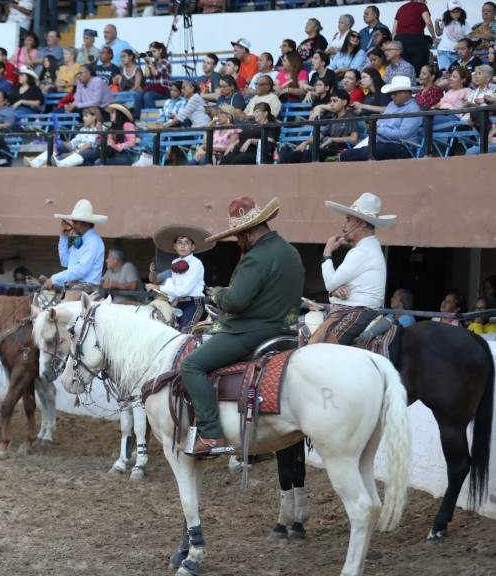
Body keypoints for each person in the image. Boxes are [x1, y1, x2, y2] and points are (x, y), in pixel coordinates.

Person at [181, 197, 303, 456]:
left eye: (239, 236)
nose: (238, 242)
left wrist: (216, 294)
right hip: (286, 330)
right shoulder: (289, 251)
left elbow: (236, 301)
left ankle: (211, 434)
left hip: (251, 332)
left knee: (191, 365)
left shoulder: (257, 257)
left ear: (248, 232)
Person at [310, 193, 395, 345]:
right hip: (356, 310)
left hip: (357, 312)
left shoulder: (361, 251)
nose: (344, 226)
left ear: (361, 224)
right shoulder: (368, 248)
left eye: (348, 220)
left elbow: (330, 283)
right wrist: (335, 290)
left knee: (319, 349)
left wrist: (327, 253)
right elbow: (334, 286)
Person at [147, 225, 212, 330]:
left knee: (184, 333)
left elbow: (184, 290)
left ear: (192, 247)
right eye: (180, 242)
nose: (182, 246)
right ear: (175, 246)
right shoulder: (175, 263)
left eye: (186, 243)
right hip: (179, 303)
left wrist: (159, 287)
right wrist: (171, 300)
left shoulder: (196, 263)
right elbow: (174, 284)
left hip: (194, 304)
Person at [341, 76, 421, 161]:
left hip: (402, 146)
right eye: (391, 93)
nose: (392, 96)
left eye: (395, 93)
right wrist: (375, 128)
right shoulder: (392, 104)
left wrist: (377, 129)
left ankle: (342, 157)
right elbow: (380, 122)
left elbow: (402, 135)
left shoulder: (413, 109)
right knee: (362, 151)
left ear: (405, 93)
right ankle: (342, 157)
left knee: (363, 152)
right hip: (383, 142)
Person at [43, 199, 106, 299]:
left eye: (75, 222)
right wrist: (63, 237)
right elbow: (66, 262)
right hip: (74, 288)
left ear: (85, 223)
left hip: (86, 290)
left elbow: (81, 270)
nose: (72, 225)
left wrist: (54, 279)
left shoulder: (93, 241)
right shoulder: (80, 239)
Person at [278, 90, 357, 163]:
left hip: (340, 150)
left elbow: (353, 139)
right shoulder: (334, 117)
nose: (332, 104)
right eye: (331, 101)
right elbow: (320, 136)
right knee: (288, 153)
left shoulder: (350, 117)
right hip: (327, 150)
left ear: (344, 102)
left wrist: (333, 139)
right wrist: (305, 142)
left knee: (310, 154)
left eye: (335, 101)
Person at [25, 106, 103, 168]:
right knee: (57, 145)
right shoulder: (83, 129)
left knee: (66, 155)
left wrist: (72, 153)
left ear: (94, 117)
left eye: (86, 116)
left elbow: (90, 145)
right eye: (83, 116)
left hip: (88, 152)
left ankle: (59, 163)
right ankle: (36, 162)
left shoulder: (101, 128)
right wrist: (58, 141)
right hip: (76, 151)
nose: (83, 118)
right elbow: (71, 144)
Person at [392, 0, 436, 76]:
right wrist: (433, 36)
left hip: (400, 40)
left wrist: (394, 44)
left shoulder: (401, 8)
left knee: (404, 68)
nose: (425, 2)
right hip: (415, 38)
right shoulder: (421, 6)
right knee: (419, 67)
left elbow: (394, 31)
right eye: (424, 0)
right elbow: (428, 22)